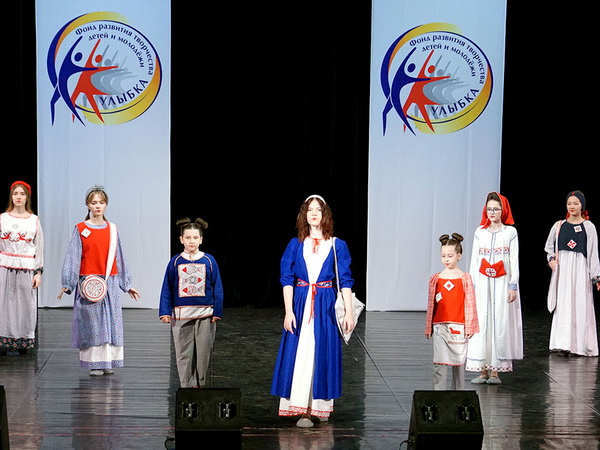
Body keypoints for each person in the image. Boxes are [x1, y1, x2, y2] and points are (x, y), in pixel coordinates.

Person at [271, 194, 355, 428]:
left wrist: (349, 312)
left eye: (318, 209)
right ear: (304, 215)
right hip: (301, 302)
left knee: (323, 352)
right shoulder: (296, 244)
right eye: (310, 210)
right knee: (302, 353)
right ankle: (304, 410)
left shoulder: (337, 245)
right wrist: (289, 311)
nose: (314, 213)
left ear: (325, 214)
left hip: (326, 304)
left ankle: (321, 406)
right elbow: (287, 279)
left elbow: (345, 281)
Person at [58, 185, 140, 375]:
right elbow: (73, 256)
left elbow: (119, 256)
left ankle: (107, 361)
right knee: (92, 323)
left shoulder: (112, 229)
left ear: (106, 204)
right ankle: (94, 363)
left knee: (110, 320)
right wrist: (68, 283)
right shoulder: (81, 229)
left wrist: (127, 285)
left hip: (109, 281)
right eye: (94, 202)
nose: (97, 206)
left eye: (101, 202)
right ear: (88, 205)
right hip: (89, 282)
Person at [159, 217, 224, 388]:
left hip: (205, 314)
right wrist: (165, 312)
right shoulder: (175, 261)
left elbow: (217, 286)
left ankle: (200, 384)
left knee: (203, 352)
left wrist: (217, 311)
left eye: (195, 237)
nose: (191, 241)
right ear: (181, 239)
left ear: (201, 239)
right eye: (188, 237)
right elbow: (167, 287)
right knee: (183, 352)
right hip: (181, 315)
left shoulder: (208, 260)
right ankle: (186, 385)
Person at [466, 192, 523, 385]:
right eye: (489, 209)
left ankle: (495, 371)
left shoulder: (510, 233)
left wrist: (513, 285)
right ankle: (482, 370)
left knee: (499, 321)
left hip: (501, 282)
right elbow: (474, 260)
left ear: (503, 211)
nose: (492, 212)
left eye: (496, 209)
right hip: (482, 283)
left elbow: (513, 260)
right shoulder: (480, 232)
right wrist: (471, 285)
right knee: (482, 321)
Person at [544, 190, 600, 357]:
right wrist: (551, 259)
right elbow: (549, 246)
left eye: (576, 203)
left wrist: (595, 276)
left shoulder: (588, 227)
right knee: (564, 304)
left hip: (580, 270)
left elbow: (593, 253)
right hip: (563, 270)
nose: (572, 206)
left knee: (580, 304)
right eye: (569, 203)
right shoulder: (559, 225)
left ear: (582, 205)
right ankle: (563, 343)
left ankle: (579, 345)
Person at [425, 233, 479, 390]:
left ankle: (458, 394)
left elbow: (470, 303)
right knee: (439, 363)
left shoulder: (464, 278)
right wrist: (428, 327)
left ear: (459, 256)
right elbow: (431, 305)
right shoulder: (436, 278)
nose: (446, 259)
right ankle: (439, 395)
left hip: (458, 326)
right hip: (440, 326)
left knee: (458, 363)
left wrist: (470, 326)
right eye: (443, 256)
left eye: (450, 256)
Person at [0, 181, 44, 355]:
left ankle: (23, 341)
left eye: (22, 194)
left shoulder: (34, 220)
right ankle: (4, 339)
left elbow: (39, 247)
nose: (19, 197)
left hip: (26, 267)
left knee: (25, 304)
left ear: (27, 197)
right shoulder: (3, 218)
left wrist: (38, 272)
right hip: (4, 265)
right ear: (11, 196)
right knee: (4, 303)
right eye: (15, 193)